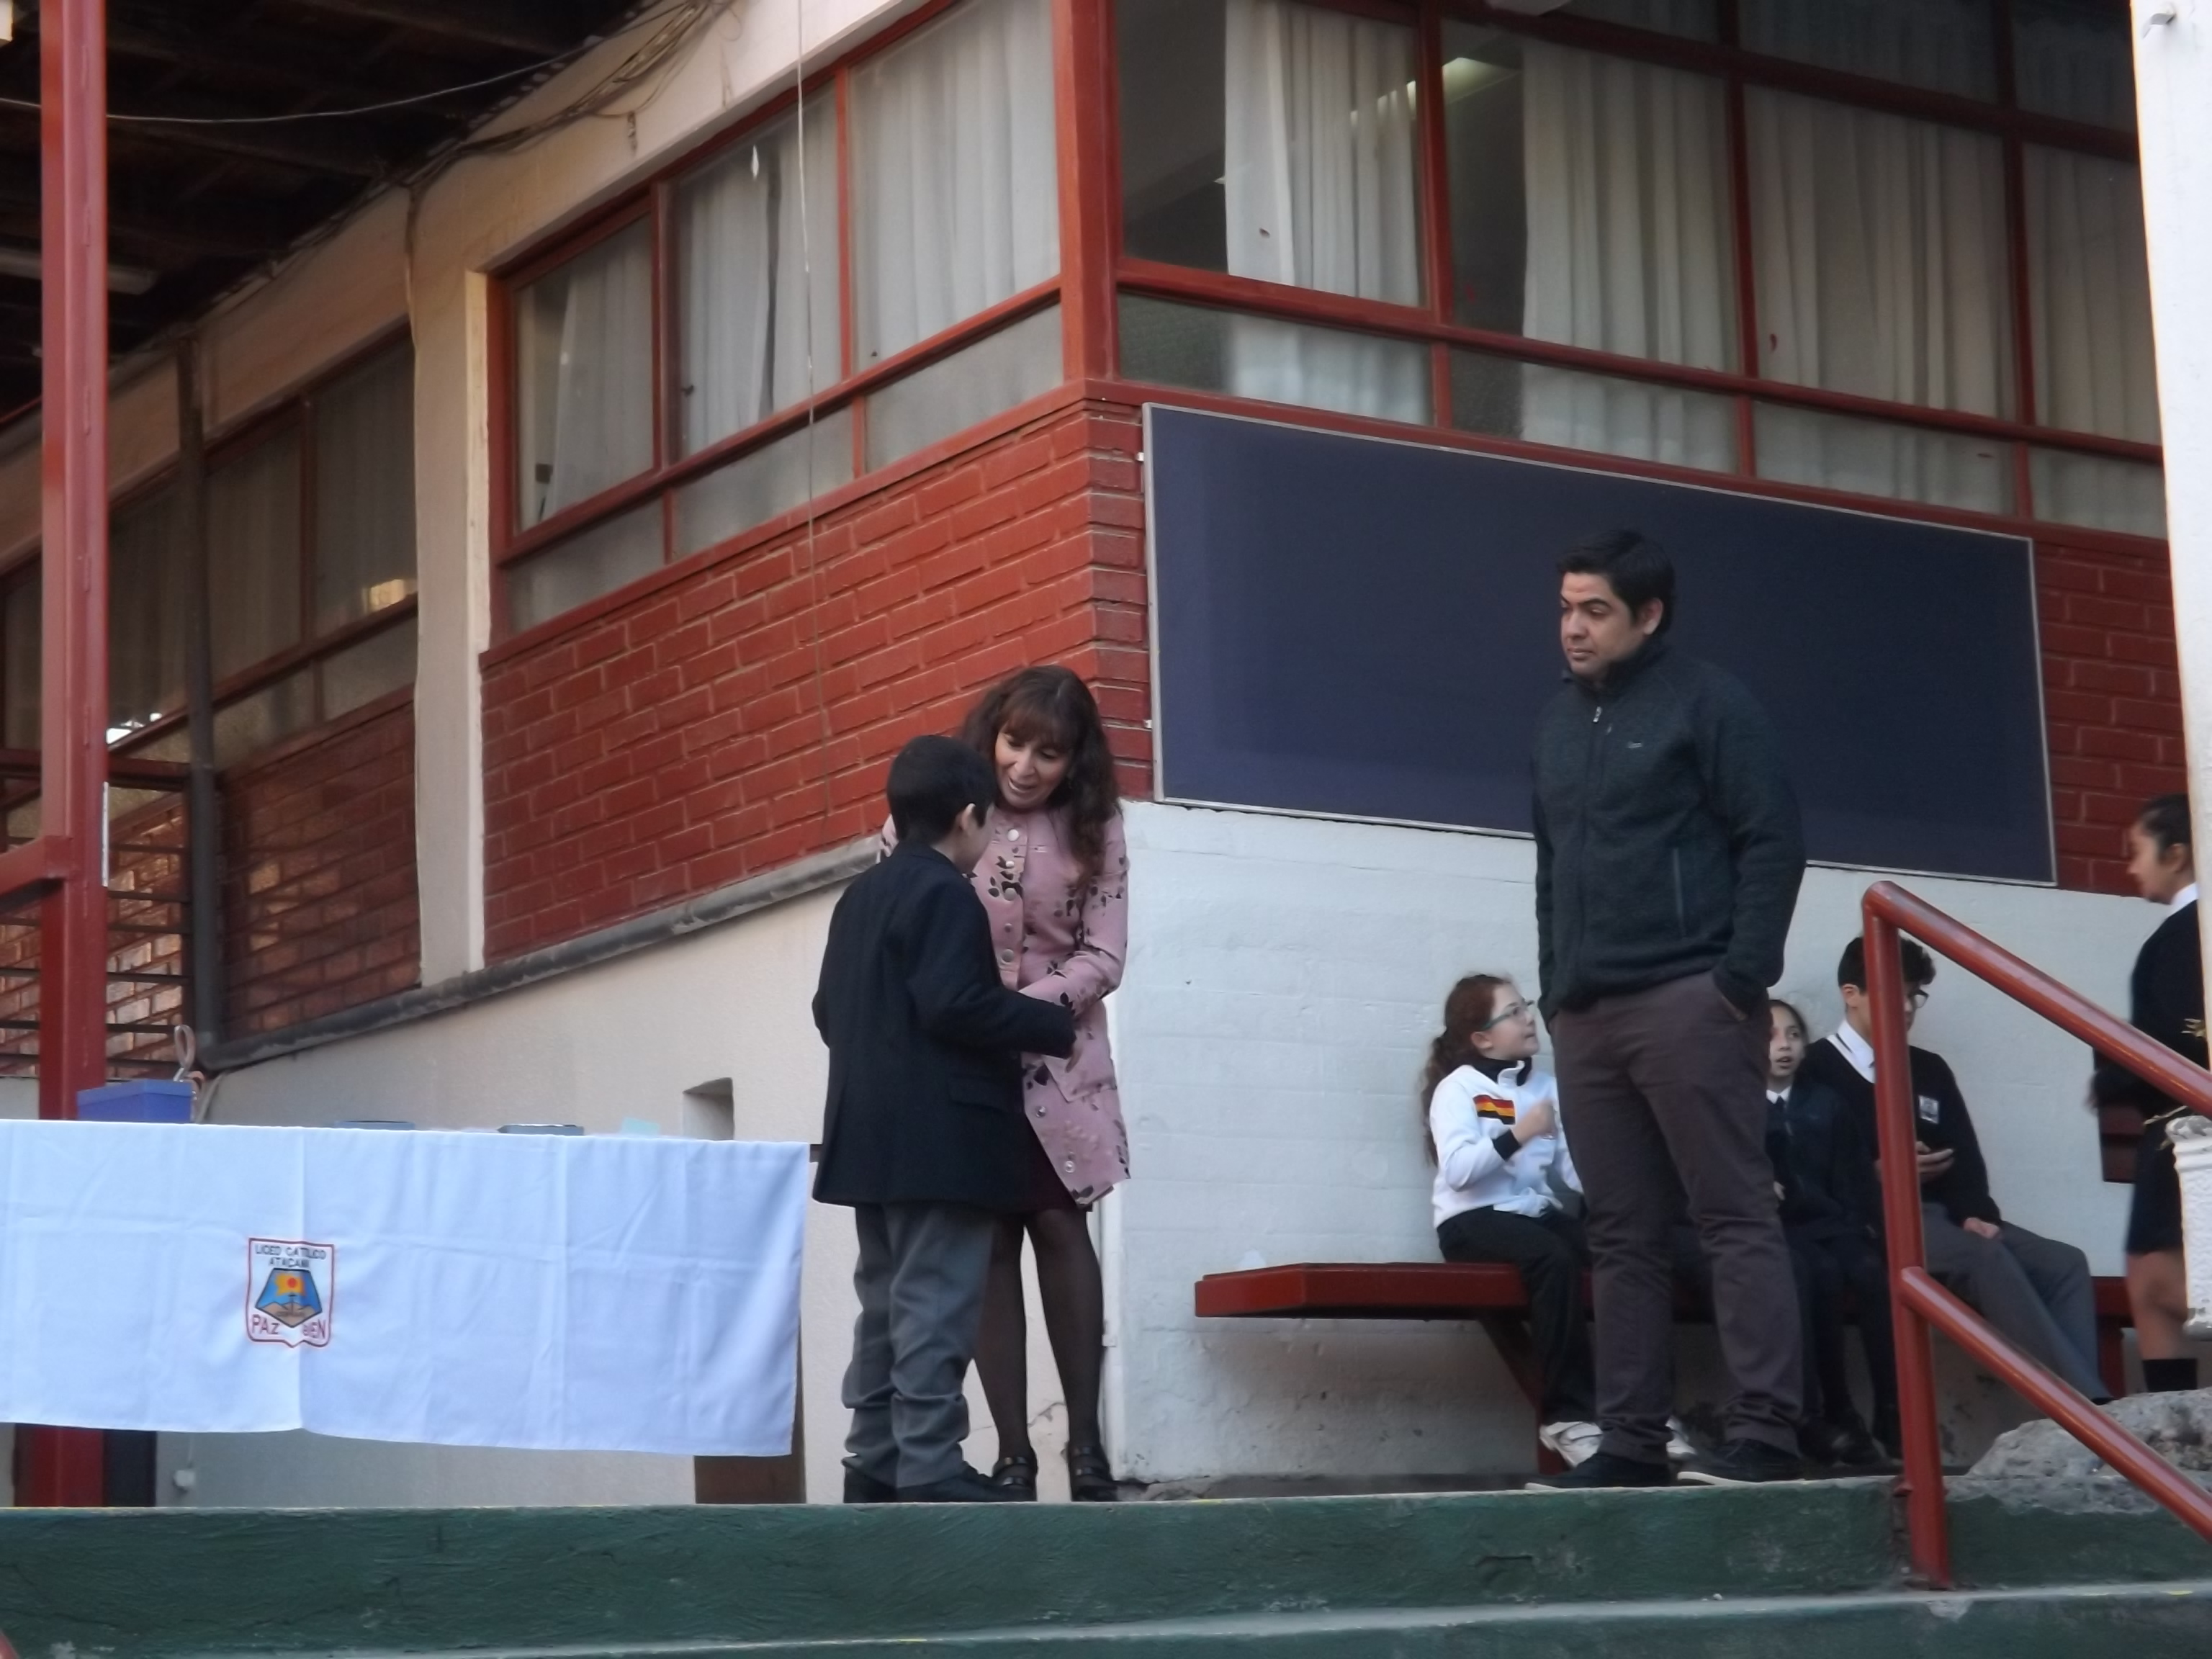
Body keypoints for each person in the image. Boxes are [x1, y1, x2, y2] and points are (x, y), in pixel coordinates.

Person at [1528, 530, 1809, 1491]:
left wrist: (1739, 979)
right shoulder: (1556, 724)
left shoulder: (1711, 702)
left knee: (1732, 1213)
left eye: (1594, 610)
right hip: (1588, 1014)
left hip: (1693, 998)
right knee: (1619, 1232)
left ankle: (1768, 1431)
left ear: (1648, 615)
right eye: (1565, 608)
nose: (1573, 628)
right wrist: (1556, 988)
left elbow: (1773, 840)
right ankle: (1632, 1441)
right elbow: (1551, 867)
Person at [884, 666, 1131, 1501]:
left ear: (1074, 760)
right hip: (962, 1064)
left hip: (1060, 1062)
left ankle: (1087, 1450)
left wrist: (1019, 1011)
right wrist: (968, 1014)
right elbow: (896, 906)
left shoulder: (1099, 823)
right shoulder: (941, 806)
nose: (1025, 766)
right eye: (1014, 743)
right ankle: (1013, 1456)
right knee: (987, 1243)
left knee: (1061, 1226)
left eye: (1048, 754)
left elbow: (1106, 954)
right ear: (991, 735)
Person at [813, 734, 1078, 1504]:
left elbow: (829, 1011)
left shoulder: (860, 897)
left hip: (866, 1138)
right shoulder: (945, 893)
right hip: (941, 1141)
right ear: (968, 817)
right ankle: (929, 1464)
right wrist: (1050, 1023)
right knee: (934, 1302)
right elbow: (955, 1004)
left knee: (884, 1305)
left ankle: (873, 1461)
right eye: (988, 820)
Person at [1800, 936, 2109, 1403]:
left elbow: (1964, 1155)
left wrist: (1974, 1213)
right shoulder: (1815, 1068)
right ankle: (2089, 1410)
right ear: (1851, 994)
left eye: (1914, 995)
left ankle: (2080, 1408)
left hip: (1945, 1213)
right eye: (1894, 994)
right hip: (1873, 1220)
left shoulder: (1929, 1069)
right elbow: (1808, 1166)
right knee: (1983, 1258)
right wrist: (1878, 1173)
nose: (1907, 1008)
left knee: (2064, 1263)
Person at [1421, 974, 1601, 1468]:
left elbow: (1573, 1173)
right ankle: (1567, 1418)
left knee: (1622, 1255)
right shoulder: (1459, 1088)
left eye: (1527, 1007)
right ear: (1482, 1039)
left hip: (1534, 1215)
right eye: (1514, 1012)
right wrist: (1521, 1132)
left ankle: (1645, 1412)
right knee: (1554, 1259)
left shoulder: (1548, 1089)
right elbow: (1459, 1173)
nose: (1528, 1019)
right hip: (1472, 1222)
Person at [2090, 793, 2202, 1394]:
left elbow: (2176, 1040)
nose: (2132, 867)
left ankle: (2172, 1423)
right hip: (2186, 1132)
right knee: (2155, 1275)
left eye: (2138, 851)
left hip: (2185, 1133)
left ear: (2177, 853)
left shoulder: (2183, 936)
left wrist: (2111, 1076)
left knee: (2156, 1279)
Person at [1766, 998, 1889, 1465]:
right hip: (1783, 1230)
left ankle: (1892, 1413)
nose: (1784, 1046)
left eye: (1794, 1035)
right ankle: (1830, 1412)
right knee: (1819, 1273)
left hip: (1833, 1225)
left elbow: (1854, 1181)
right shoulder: (1740, 1106)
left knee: (1873, 1271)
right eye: (1770, 1037)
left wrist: (1859, 1227)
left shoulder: (1826, 1102)